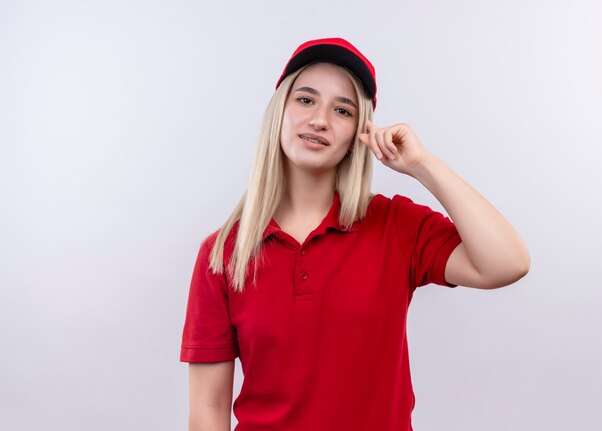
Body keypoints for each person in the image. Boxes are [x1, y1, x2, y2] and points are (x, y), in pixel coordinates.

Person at [180, 37, 530, 431]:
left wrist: (422, 164)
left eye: (342, 110)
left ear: (357, 136)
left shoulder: (395, 225)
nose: (320, 119)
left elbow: (507, 263)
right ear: (279, 112)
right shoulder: (223, 253)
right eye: (306, 100)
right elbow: (208, 410)